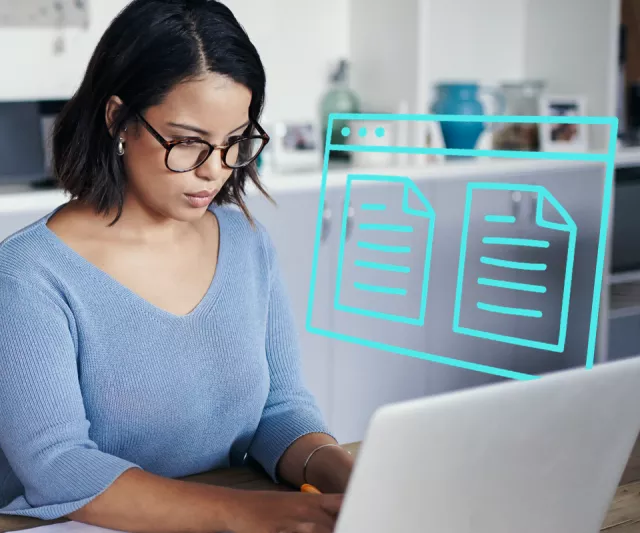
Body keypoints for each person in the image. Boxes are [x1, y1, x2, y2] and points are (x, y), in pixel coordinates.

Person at [0, 1, 353, 532]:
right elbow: (60, 467)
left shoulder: (245, 242)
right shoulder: (28, 274)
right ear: (119, 117)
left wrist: (349, 478)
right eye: (188, 142)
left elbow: (278, 411)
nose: (213, 171)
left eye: (234, 142)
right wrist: (247, 514)